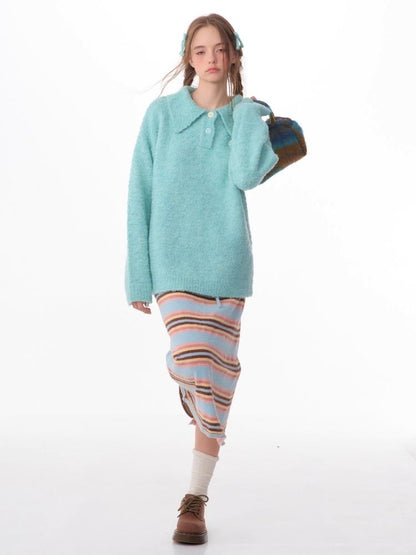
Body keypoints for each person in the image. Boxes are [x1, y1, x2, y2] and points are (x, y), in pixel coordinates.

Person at [125, 13, 278, 544]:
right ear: (188, 59)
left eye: (219, 49)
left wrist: (250, 115)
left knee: (216, 383)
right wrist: (137, 277)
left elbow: (246, 176)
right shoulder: (162, 115)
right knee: (193, 358)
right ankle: (190, 383)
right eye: (200, 50)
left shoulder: (244, 116)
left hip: (227, 265)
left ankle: (194, 501)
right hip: (172, 263)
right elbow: (139, 193)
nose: (211, 59)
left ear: (233, 54)